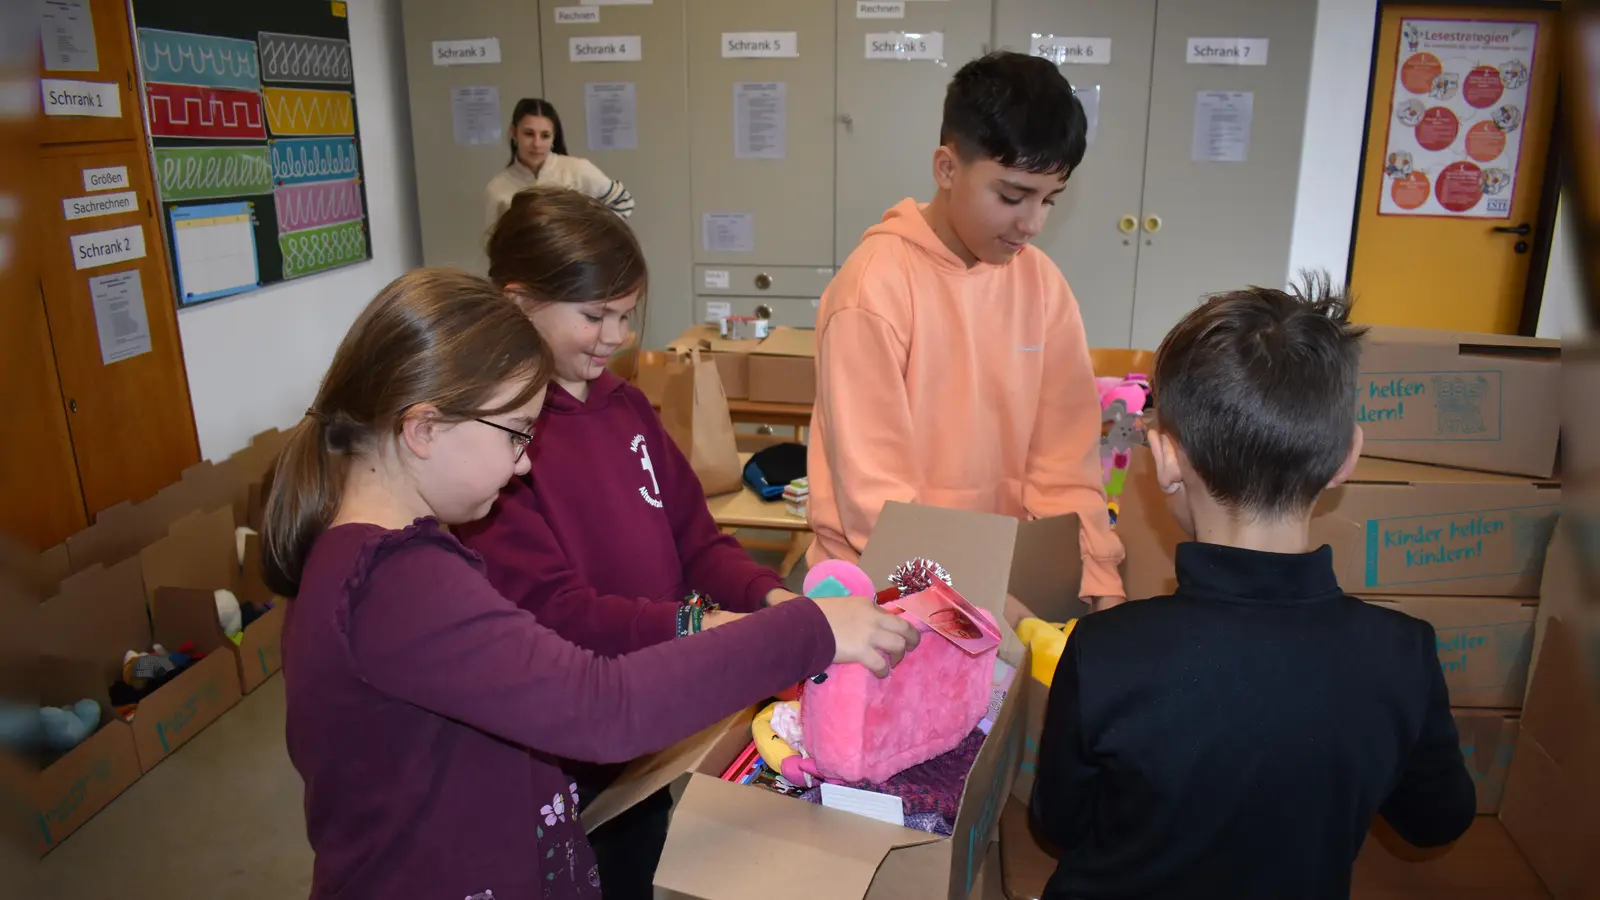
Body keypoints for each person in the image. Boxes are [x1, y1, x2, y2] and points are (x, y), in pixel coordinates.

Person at [264, 268, 919, 900]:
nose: (523, 465)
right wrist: (810, 631)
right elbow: (604, 708)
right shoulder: (396, 586)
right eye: (517, 435)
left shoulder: (400, 556)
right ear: (425, 429)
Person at [1030, 275, 1477, 899]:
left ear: (1163, 459)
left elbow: (1058, 823)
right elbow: (1437, 820)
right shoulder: (1402, 653)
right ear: (1347, 457)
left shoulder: (1107, 647)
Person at [455, 186, 805, 899]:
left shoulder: (626, 407)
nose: (615, 336)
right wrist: (700, 627)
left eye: (625, 314)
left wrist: (770, 598)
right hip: (562, 749)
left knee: (638, 861)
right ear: (520, 304)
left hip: (649, 722)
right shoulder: (497, 443)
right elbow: (559, 611)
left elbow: (696, 539)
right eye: (594, 316)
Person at [806, 51, 1125, 613]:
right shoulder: (873, 291)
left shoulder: (1042, 286)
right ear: (947, 168)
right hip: (880, 593)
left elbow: (1065, 465)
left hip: (1002, 584)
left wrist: (1099, 581)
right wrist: (975, 607)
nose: (1032, 224)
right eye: (1011, 196)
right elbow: (877, 507)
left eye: (1050, 199)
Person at [485, 98, 634, 227]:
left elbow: (623, 201)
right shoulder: (497, 188)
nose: (537, 144)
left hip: (576, 260)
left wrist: (591, 239)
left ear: (553, 137)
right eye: (529, 134)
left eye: (545, 135)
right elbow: (492, 244)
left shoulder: (577, 170)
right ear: (514, 133)